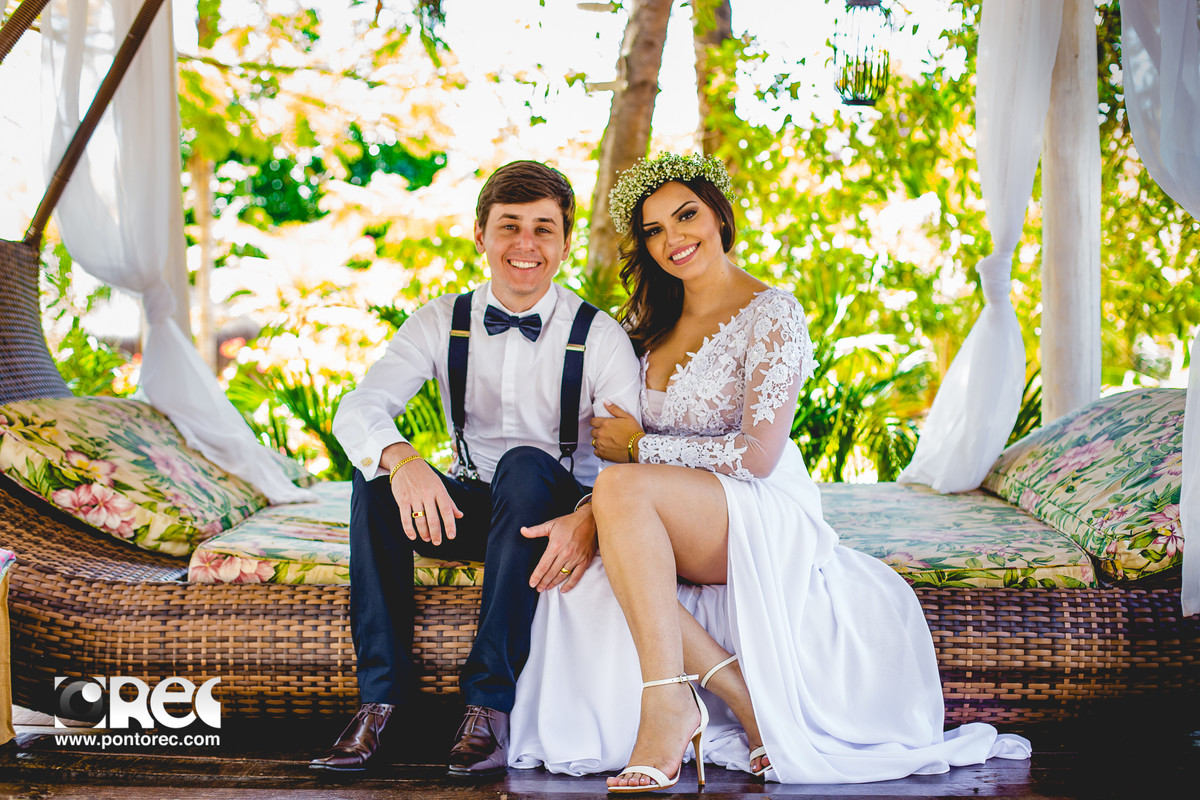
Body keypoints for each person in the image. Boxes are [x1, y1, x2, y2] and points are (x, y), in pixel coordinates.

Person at [507, 153, 1031, 790]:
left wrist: (645, 448)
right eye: (653, 230)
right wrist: (592, 508)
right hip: (669, 509)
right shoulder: (640, 328)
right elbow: (607, 455)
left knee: (621, 488)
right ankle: (732, 695)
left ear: (720, 215)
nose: (674, 238)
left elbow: (758, 453)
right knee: (604, 537)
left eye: (686, 215)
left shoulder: (772, 313)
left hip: (757, 506)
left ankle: (668, 702)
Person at [312, 160, 641, 778]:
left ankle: (487, 706)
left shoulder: (598, 337)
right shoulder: (440, 321)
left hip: (561, 512)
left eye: (543, 229)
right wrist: (402, 459)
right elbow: (359, 406)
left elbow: (631, 457)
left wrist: (592, 518)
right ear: (480, 235)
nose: (525, 245)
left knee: (524, 463)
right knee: (371, 476)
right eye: (509, 226)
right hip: (478, 509)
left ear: (566, 243)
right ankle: (381, 701)